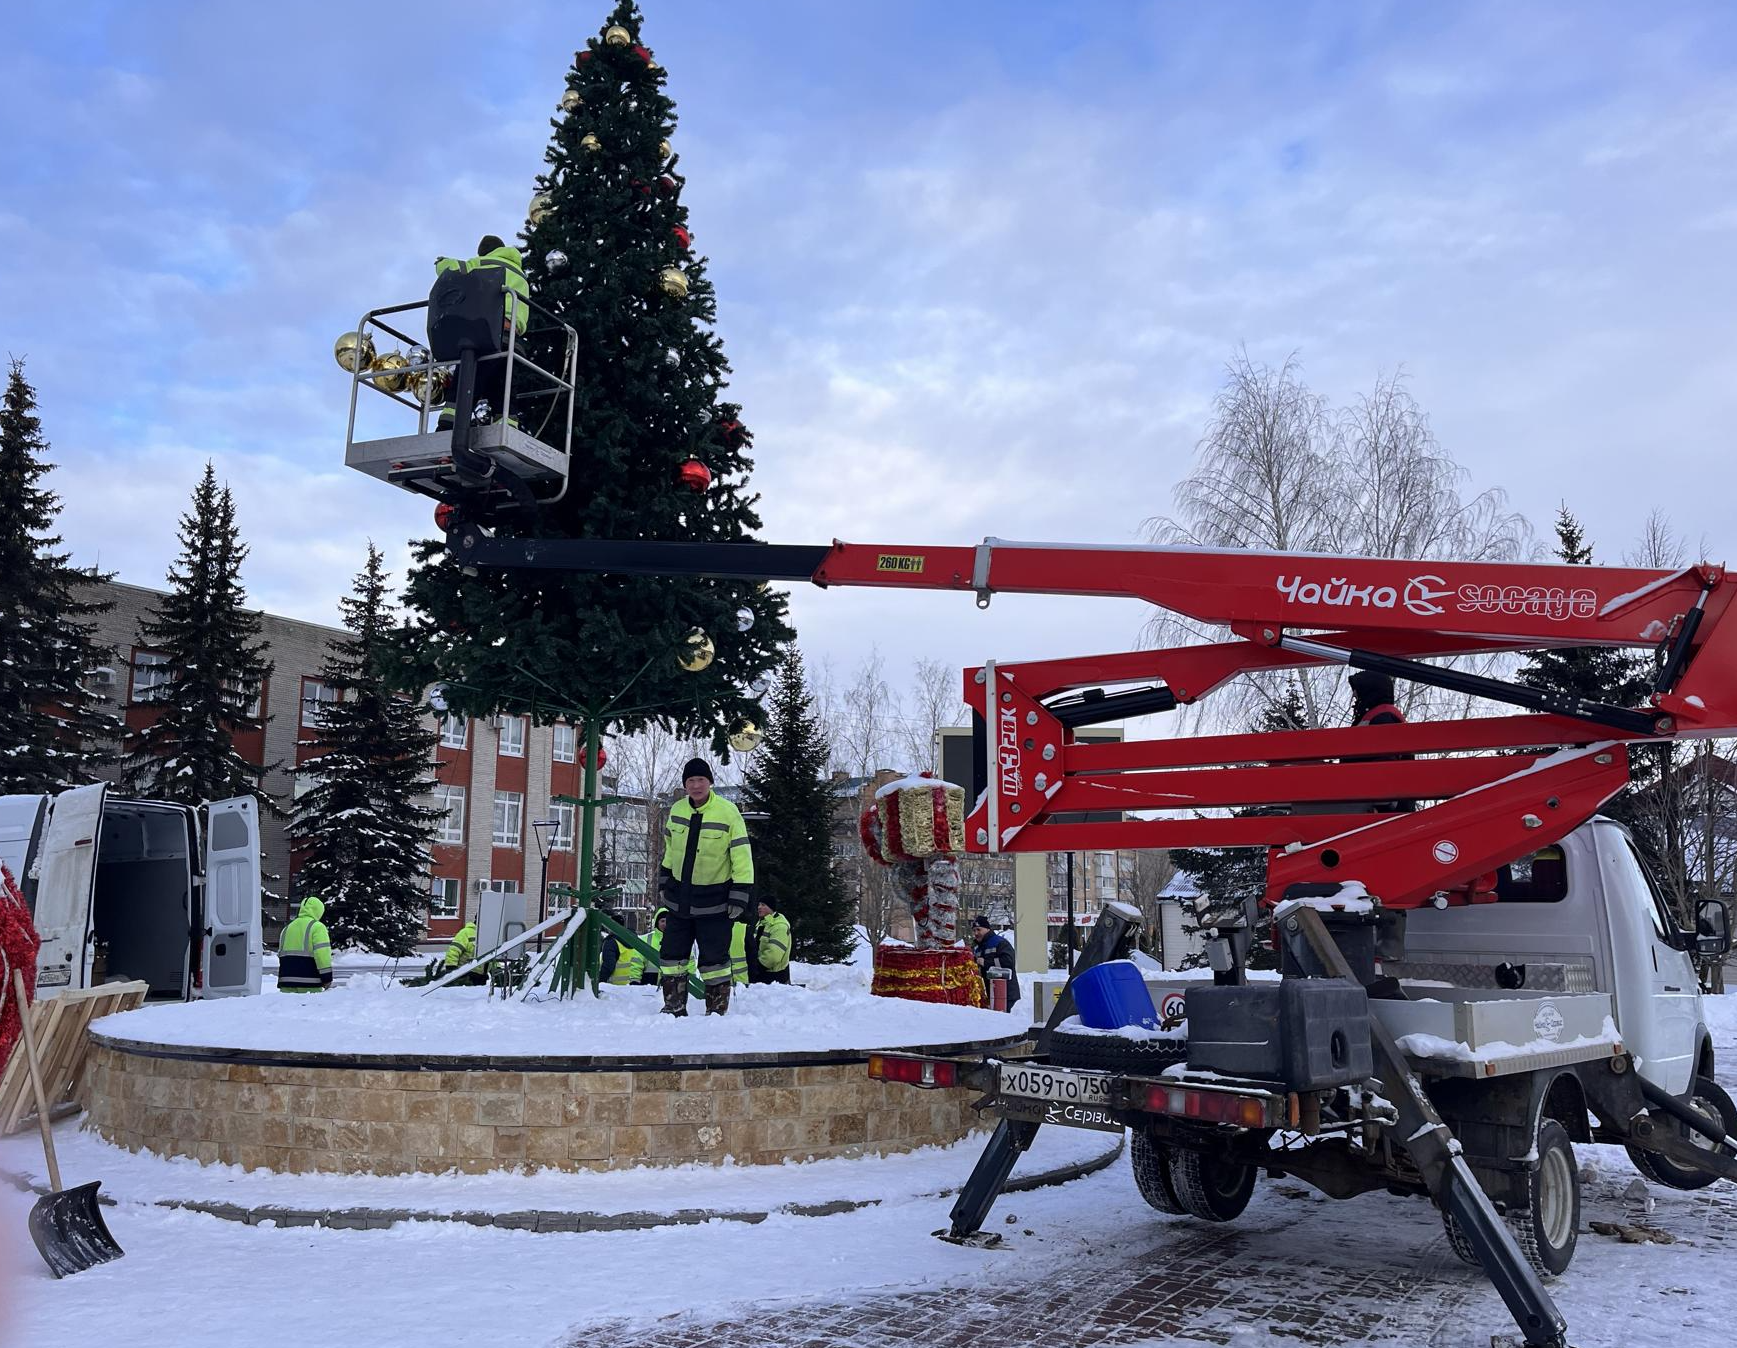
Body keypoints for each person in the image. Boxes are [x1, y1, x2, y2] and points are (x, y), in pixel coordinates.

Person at [657, 758, 754, 1016]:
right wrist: (664, 879)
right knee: (671, 957)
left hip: (715, 901)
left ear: (710, 782)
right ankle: (674, 1006)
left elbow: (742, 856)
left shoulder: (728, 812)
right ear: (685, 785)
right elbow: (670, 850)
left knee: (715, 962)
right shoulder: (676, 810)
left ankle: (716, 1010)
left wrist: (740, 895)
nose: (696, 785)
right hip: (679, 900)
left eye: (701, 780)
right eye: (691, 781)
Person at [431, 233, 530, 430]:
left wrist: (440, 262)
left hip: (487, 332)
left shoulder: (483, 263)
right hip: (512, 337)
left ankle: (449, 422)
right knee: (502, 384)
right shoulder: (519, 273)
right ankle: (506, 424)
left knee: (469, 376)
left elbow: (453, 269)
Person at [278, 896, 334, 993]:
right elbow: (322, 955)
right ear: (318, 911)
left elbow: (281, 955)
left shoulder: (287, 928)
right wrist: (327, 978)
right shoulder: (317, 927)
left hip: (286, 983)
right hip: (310, 984)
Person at [970, 915, 1020, 1010]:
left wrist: (986, 962)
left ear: (987, 929)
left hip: (1004, 994)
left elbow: (1008, 962)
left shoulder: (1000, 943)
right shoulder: (978, 948)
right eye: (974, 930)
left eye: (978, 929)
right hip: (990, 994)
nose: (976, 933)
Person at [752, 899, 792, 985]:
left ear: (771, 908)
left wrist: (756, 967)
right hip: (762, 973)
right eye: (758, 905)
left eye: (763, 905)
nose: (759, 907)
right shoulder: (762, 923)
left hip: (774, 977)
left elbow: (774, 956)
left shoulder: (779, 926)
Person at [442, 918, 487, 984]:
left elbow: (492, 953)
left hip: (481, 976)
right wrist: (451, 967)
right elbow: (454, 950)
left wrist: (497, 968)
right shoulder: (466, 932)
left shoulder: (488, 935)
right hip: (465, 974)